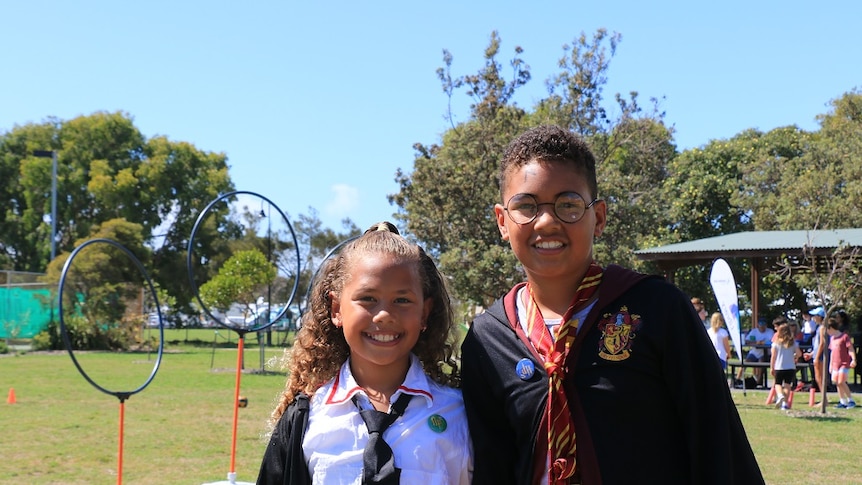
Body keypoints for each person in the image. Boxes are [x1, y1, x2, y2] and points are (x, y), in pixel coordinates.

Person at [460, 125, 763, 484]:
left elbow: (716, 444)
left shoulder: (657, 309)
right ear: (502, 222)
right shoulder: (488, 338)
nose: (546, 221)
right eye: (525, 206)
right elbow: (493, 465)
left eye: (568, 205)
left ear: (599, 217)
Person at [256, 222, 472, 484]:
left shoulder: (460, 415)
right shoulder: (308, 417)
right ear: (336, 309)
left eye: (402, 300)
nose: (384, 315)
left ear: (424, 313)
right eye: (367, 298)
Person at [826, 316, 858, 408]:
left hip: (844, 364)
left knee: (841, 381)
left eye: (827, 330)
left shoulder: (844, 337)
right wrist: (830, 365)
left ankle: (850, 400)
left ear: (831, 328)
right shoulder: (832, 339)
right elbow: (832, 352)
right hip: (835, 364)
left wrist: (853, 359)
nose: (827, 332)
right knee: (837, 382)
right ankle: (842, 401)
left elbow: (850, 349)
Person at [770, 322, 802, 410]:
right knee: (788, 385)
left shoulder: (776, 343)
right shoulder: (793, 343)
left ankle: (780, 395)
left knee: (778, 384)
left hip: (779, 366)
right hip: (791, 367)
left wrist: (771, 367)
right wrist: (795, 356)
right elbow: (799, 353)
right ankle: (785, 404)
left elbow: (773, 356)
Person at [736, 317, 775, 387]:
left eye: (764, 324)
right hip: (754, 352)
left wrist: (763, 343)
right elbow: (747, 341)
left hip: (766, 353)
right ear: (758, 325)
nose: (762, 326)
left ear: (766, 325)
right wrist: (756, 342)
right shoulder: (754, 331)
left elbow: (772, 341)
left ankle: (758, 381)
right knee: (745, 362)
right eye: (760, 324)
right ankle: (737, 379)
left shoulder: (770, 332)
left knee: (761, 362)